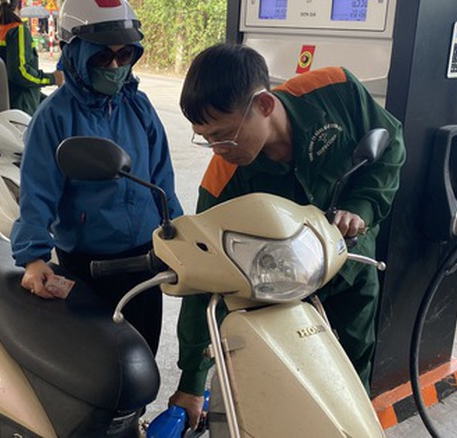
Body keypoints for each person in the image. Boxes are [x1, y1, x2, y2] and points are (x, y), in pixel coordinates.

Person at [169, 43, 406, 427]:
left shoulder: (336, 90)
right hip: (281, 298)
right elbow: (203, 274)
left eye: (224, 135)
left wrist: (362, 207)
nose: (217, 150)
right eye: (205, 138)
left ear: (264, 105)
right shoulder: (222, 181)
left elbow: (390, 143)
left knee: (354, 371)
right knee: (290, 391)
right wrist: (193, 382)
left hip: (351, 264)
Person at [10, 0, 182, 357]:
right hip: (88, 265)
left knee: (143, 354)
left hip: (146, 257)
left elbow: (162, 180)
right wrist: (33, 257)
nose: (116, 67)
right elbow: (37, 193)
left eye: (125, 55)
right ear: (74, 53)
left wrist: (180, 235)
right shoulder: (54, 117)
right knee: (96, 360)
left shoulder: (140, 107)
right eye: (102, 57)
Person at [0, 0, 63, 115]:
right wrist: (53, 78)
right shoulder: (18, 30)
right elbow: (20, 73)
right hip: (20, 111)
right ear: (20, 5)